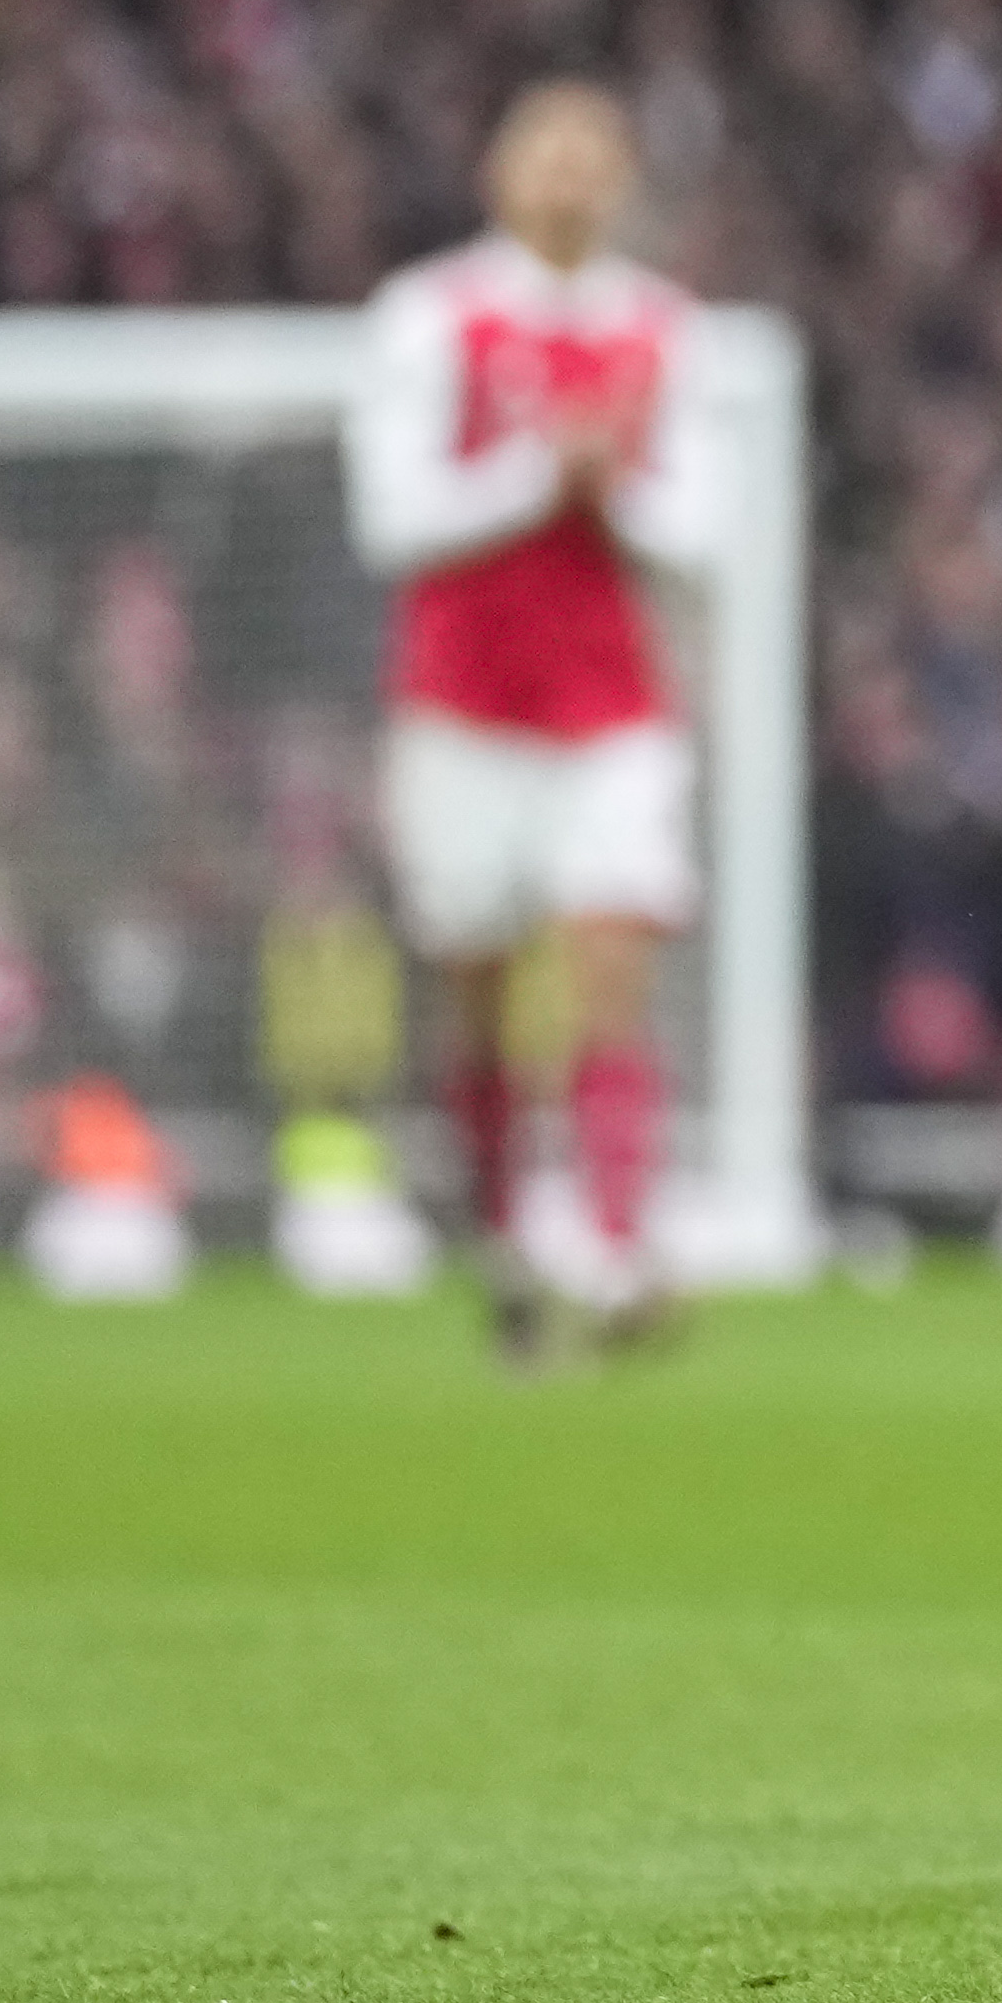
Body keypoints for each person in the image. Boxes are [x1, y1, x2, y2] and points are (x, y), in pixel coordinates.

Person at [346, 81, 728, 1369]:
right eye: (545, 154)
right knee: (480, 996)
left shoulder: (666, 332)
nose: (567, 178)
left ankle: (621, 1257)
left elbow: (703, 528)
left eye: (590, 157)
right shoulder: (431, 316)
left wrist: (607, 486)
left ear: (621, 180)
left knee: (613, 969)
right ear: (501, 173)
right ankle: (509, 1244)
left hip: (613, 704)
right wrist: (536, 474)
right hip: (462, 708)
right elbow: (392, 519)